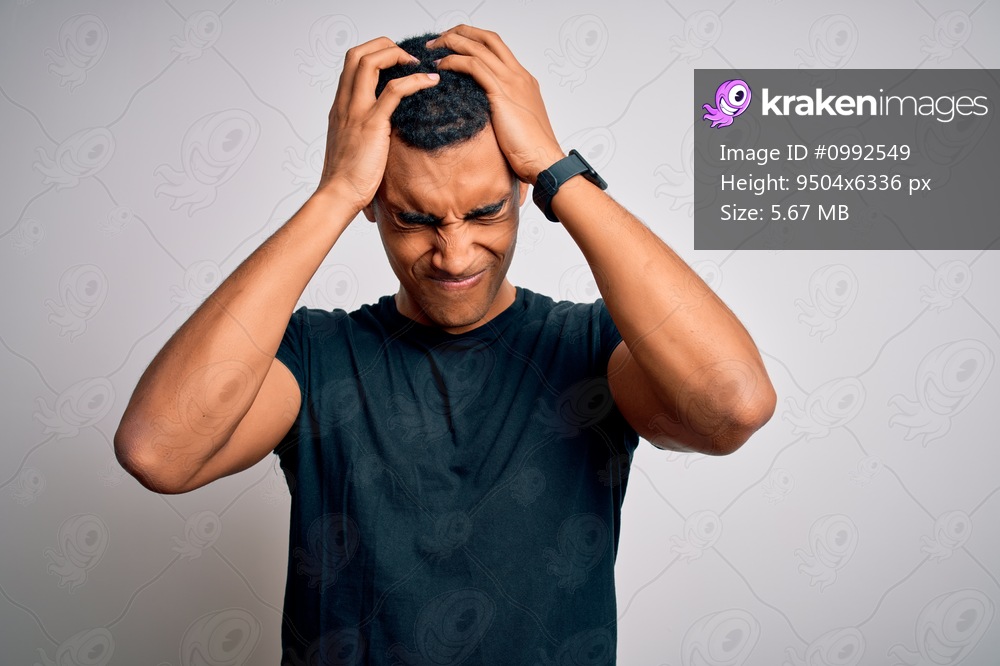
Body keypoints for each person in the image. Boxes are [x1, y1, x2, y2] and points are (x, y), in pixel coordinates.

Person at [115, 25, 776, 665]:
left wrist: (557, 168)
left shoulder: (594, 348)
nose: (454, 254)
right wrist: (335, 192)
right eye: (416, 219)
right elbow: (158, 452)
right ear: (376, 202)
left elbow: (733, 405)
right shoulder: (312, 357)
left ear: (522, 188)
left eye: (485, 211)